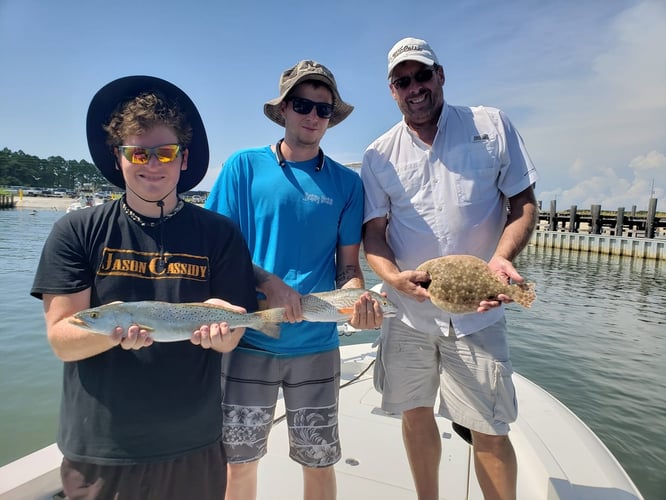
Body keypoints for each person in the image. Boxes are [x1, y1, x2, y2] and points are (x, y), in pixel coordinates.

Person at [31, 75, 258, 499]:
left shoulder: (220, 234)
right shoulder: (77, 231)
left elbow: (234, 337)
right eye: (138, 152)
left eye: (165, 152)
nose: (152, 164)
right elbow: (63, 338)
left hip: (195, 442)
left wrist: (222, 332)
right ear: (118, 158)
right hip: (102, 448)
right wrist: (112, 335)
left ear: (184, 158)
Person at [361, 37, 539, 500]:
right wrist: (391, 277)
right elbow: (375, 233)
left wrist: (501, 259)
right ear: (392, 90)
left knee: (489, 427)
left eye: (423, 75)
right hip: (407, 311)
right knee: (414, 412)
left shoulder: (490, 125)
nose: (415, 87)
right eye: (404, 81)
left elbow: (522, 201)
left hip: (479, 311)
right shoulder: (379, 154)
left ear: (440, 76)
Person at [205, 60, 384, 500]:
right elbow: (214, 251)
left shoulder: (347, 184)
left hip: (317, 348)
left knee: (319, 465)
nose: (313, 116)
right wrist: (268, 283)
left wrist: (356, 301)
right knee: (238, 464)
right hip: (248, 343)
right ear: (283, 109)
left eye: (323, 109)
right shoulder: (242, 168)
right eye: (302, 104)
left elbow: (348, 267)